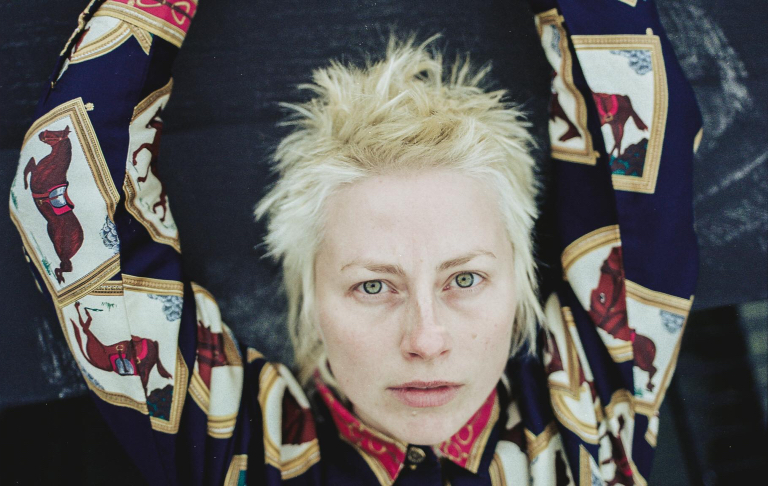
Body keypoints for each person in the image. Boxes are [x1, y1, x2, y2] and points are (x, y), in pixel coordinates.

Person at [8, 1, 701, 485]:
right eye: (374, 285)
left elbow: (643, 145)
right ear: (310, 295)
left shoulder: (596, 400)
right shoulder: (251, 457)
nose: (426, 340)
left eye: (465, 279)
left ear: (521, 278)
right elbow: (66, 205)